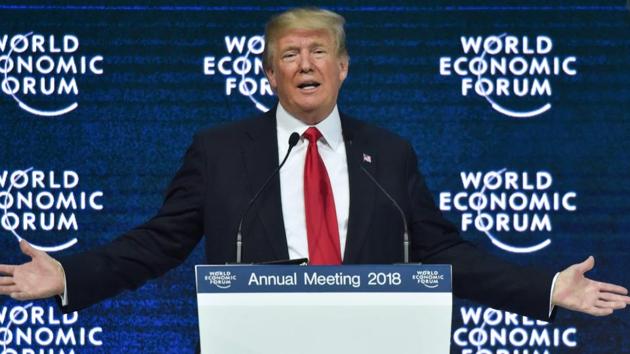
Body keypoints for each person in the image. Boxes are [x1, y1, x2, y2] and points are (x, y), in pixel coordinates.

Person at [1, 7, 629, 322]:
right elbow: (162, 241)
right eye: (289, 54)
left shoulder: (389, 153)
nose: (305, 64)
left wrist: (546, 288)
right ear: (269, 73)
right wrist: (69, 277)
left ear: (343, 67)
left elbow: (441, 254)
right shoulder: (220, 151)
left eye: (319, 51)